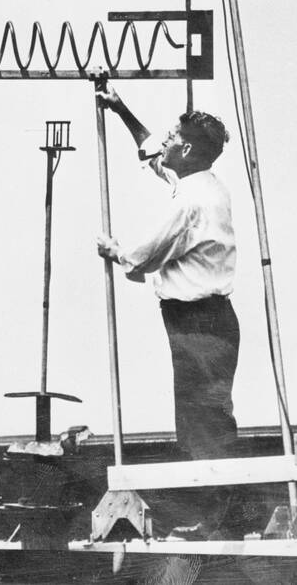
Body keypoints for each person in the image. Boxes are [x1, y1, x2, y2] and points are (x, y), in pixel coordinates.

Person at [94, 85, 239, 464]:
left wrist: (115, 252)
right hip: (203, 322)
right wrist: (120, 108)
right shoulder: (200, 180)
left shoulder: (193, 202)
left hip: (200, 324)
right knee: (201, 418)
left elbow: (148, 256)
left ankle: (218, 520)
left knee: (205, 423)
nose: (166, 143)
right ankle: (215, 517)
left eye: (172, 138)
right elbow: (153, 152)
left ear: (187, 151)